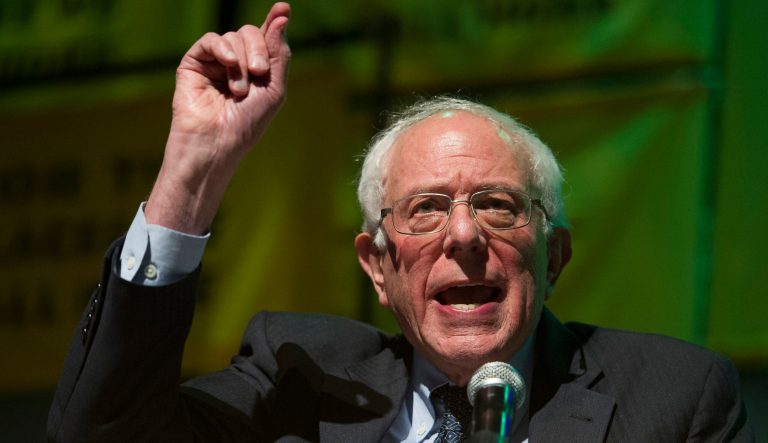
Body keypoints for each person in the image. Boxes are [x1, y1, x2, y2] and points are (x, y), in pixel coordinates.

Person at [47, 3, 753, 442]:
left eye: (499, 205)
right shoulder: (295, 378)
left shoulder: (672, 399)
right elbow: (97, 433)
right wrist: (192, 169)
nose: (466, 236)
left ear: (555, 254)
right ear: (378, 265)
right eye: (425, 209)